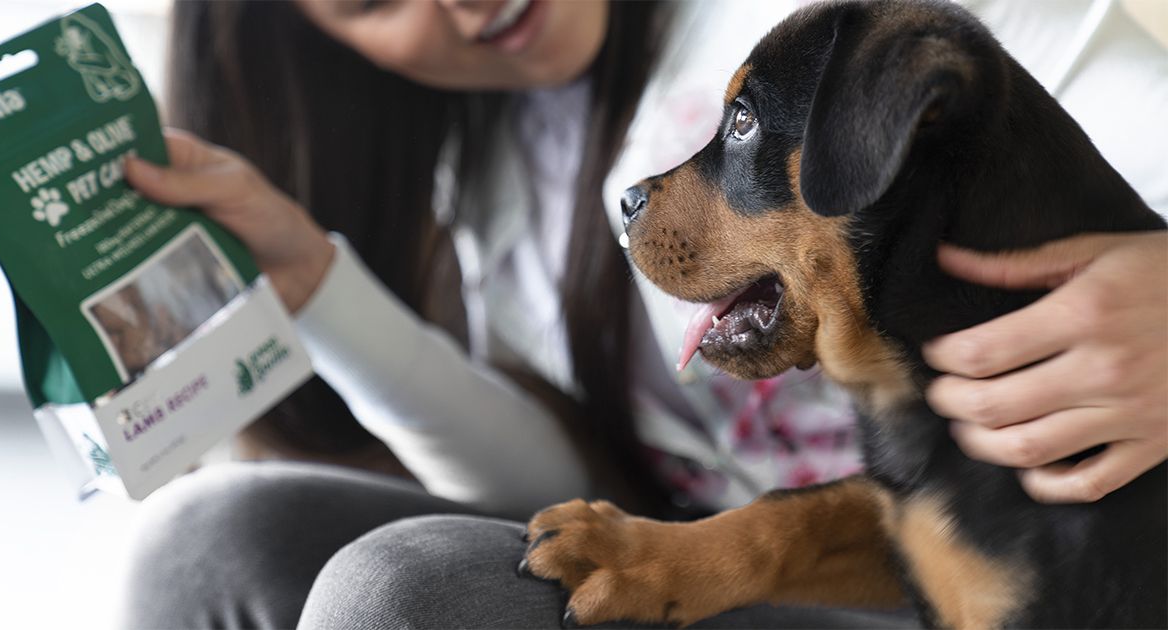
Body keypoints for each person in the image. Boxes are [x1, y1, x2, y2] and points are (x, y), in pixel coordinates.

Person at [117, 0, 1167, 628]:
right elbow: (548, 496)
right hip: (744, 573)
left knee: (399, 593)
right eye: (377, 2)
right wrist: (316, 288)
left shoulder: (865, 35)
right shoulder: (488, 188)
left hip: (1029, 583)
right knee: (206, 541)